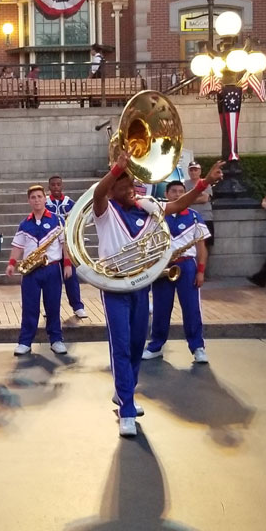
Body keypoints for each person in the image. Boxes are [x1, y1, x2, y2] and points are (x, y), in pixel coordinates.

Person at [92, 155, 223, 437]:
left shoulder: (148, 209)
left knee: (139, 343)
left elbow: (178, 204)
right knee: (122, 345)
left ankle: (123, 391)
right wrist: (116, 169)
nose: (132, 189)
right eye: (125, 186)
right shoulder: (105, 210)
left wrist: (204, 183)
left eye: (133, 186)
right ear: (114, 189)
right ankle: (126, 407)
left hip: (141, 284)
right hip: (114, 286)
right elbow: (100, 191)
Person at [142, 181, 212, 362]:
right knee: (160, 308)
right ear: (166, 193)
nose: (177, 195)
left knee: (191, 309)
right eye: (173, 191)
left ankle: (197, 347)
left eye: (181, 191)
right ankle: (156, 345)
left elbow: (201, 247)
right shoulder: (157, 216)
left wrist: (201, 271)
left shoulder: (195, 217)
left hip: (187, 266)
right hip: (163, 266)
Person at [5, 185, 72, 356]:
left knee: (53, 306)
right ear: (29, 201)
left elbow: (65, 245)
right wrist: (11, 263)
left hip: (51, 269)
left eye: (39, 197)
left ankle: (56, 340)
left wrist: (67, 264)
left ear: (45, 198)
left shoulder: (57, 220)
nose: (37, 200)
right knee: (29, 308)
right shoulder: (24, 224)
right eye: (33, 197)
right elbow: (17, 246)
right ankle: (25, 342)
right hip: (31, 272)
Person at [45, 175, 87, 318]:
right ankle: (49, 308)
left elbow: (77, 222)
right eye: (53, 185)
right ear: (49, 187)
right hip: (50, 247)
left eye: (58, 184)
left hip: (67, 245)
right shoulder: (44, 202)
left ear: (62, 186)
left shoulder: (70, 203)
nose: (56, 187)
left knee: (71, 277)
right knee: (50, 279)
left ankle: (77, 306)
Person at [184, 161, 215, 250]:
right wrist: (197, 198)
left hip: (205, 217)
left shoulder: (206, 184)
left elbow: (205, 199)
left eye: (195, 170)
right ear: (188, 171)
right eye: (191, 170)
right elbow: (182, 199)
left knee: (206, 245)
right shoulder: (184, 184)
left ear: (200, 171)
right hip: (190, 218)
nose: (193, 172)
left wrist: (189, 199)